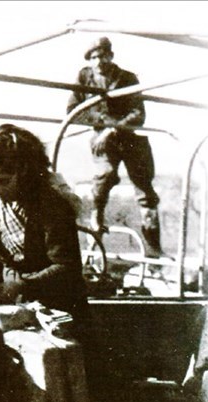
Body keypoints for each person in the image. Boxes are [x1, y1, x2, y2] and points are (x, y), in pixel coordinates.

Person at [0, 124, 88, 324]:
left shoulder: (51, 205)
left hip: (61, 307)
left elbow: (66, 266)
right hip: (15, 305)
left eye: (4, 181)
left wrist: (21, 285)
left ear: (23, 172)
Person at [67, 36, 164, 258]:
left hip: (128, 138)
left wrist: (112, 129)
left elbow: (138, 114)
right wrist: (99, 124)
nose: (98, 61)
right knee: (105, 176)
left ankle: (153, 249)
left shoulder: (127, 78)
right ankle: (95, 229)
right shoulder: (84, 77)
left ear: (111, 56)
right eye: (93, 57)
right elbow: (73, 111)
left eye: (102, 55)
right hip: (102, 140)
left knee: (145, 191)